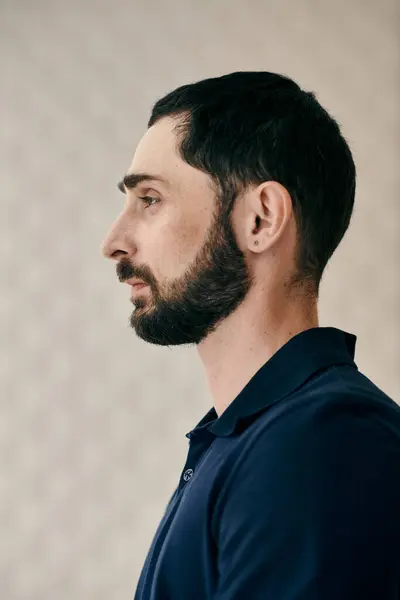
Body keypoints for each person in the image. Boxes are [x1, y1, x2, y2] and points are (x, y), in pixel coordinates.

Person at [100, 71, 400, 599]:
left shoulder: (322, 443)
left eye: (150, 199)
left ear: (261, 219)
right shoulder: (252, 438)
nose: (114, 242)